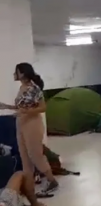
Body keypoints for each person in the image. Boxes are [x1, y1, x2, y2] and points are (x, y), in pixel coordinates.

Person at [0, 63, 58, 194]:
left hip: (32, 124)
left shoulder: (34, 88)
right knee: (24, 156)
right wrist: (6, 106)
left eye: (16, 72)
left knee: (35, 154)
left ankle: (52, 181)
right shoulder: (22, 87)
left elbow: (43, 108)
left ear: (22, 73)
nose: (14, 74)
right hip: (21, 123)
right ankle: (29, 186)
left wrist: (26, 112)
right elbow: (22, 107)